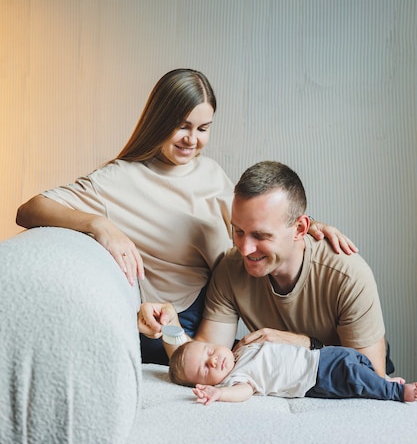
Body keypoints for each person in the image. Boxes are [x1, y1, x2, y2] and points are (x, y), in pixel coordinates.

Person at [16, 70, 356, 364]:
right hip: (171, 321)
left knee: (302, 343)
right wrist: (100, 226)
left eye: (203, 128)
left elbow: (248, 223)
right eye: (182, 126)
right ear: (160, 121)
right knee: (272, 359)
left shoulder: (209, 171)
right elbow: (30, 209)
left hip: (224, 304)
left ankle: (356, 358)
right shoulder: (118, 180)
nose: (193, 140)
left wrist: (301, 227)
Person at [138, 160, 394, 375]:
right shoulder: (230, 269)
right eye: (238, 231)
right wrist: (170, 326)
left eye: (260, 236)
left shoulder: (348, 275)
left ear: (301, 229)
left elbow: (371, 376)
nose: (245, 248)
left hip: (348, 359)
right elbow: (203, 357)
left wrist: (304, 344)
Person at [168, 339, 416, 405]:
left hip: (319, 356)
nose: (212, 361)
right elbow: (242, 393)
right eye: (203, 369)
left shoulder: (240, 351)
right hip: (315, 378)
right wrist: (218, 394)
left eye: (210, 351)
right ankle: (396, 392)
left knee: (357, 360)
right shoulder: (237, 379)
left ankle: (382, 379)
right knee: (353, 376)